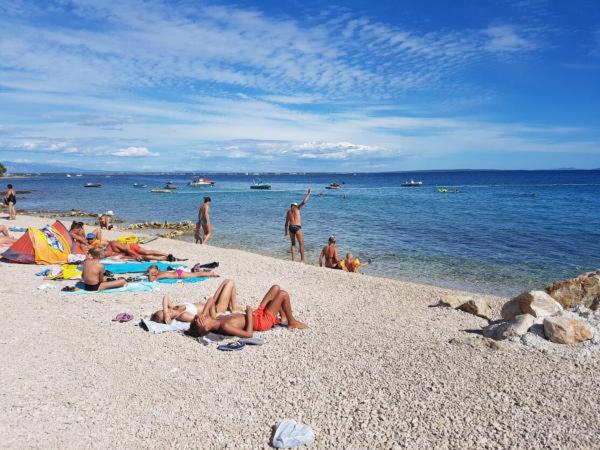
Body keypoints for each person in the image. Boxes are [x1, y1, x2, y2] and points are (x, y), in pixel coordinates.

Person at [188, 284, 308, 338]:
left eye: (198, 317)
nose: (200, 317)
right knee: (283, 294)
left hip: (257, 314)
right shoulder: (224, 326)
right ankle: (292, 322)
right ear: (206, 328)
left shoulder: (215, 318)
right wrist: (249, 315)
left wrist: (203, 313)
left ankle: (283, 317)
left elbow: (211, 300)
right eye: (200, 320)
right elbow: (248, 334)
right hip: (260, 322)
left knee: (275, 288)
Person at [150, 279, 242, 324]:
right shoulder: (182, 315)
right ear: (167, 319)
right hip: (216, 309)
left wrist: (166, 312)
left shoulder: (174, 307)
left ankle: (233, 307)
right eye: (165, 315)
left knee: (226, 281)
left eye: (164, 311)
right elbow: (200, 319)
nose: (167, 312)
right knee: (230, 283)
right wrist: (217, 315)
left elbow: (165, 297)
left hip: (213, 302)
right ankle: (233, 309)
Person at [284, 187, 311, 262]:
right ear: (295, 205)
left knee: (293, 244)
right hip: (297, 227)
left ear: (291, 206)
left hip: (290, 227)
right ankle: (302, 260)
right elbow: (304, 202)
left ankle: (293, 260)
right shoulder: (297, 208)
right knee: (301, 243)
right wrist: (308, 193)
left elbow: (286, 224)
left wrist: (286, 232)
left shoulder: (288, 212)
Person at [102, 240, 182, 261]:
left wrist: (136, 255)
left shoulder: (113, 244)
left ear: (105, 250)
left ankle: (167, 255)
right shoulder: (110, 255)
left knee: (146, 252)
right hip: (129, 253)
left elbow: (127, 249)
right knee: (144, 257)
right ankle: (165, 259)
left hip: (131, 247)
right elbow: (124, 257)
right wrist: (134, 257)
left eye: (105, 254)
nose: (106, 255)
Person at [146, 264, 219, 282]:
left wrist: (149, 273)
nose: (153, 274)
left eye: (153, 272)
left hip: (179, 274)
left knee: (195, 275)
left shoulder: (159, 275)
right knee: (194, 273)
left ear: (157, 270)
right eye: (152, 273)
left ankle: (211, 274)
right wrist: (150, 273)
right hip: (178, 272)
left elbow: (152, 280)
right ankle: (207, 271)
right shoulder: (160, 272)